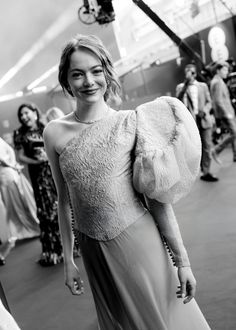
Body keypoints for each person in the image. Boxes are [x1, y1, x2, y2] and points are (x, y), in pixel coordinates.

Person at [43, 34, 211, 329]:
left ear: (107, 73)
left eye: (96, 71)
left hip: (139, 241)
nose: (89, 81)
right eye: (78, 74)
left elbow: (158, 200)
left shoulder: (131, 122)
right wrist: (68, 261)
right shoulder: (53, 133)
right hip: (94, 252)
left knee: (163, 320)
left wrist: (182, 262)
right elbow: (63, 200)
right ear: (66, 81)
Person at [13, 103, 63, 266]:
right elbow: (20, 157)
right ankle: (53, 251)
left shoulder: (47, 126)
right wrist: (36, 160)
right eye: (21, 115)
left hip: (54, 170)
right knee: (47, 210)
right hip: (39, 176)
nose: (24, 117)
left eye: (26, 113)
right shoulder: (19, 133)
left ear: (35, 112)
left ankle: (70, 247)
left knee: (61, 205)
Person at [176, 63, 218, 182]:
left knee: (207, 146)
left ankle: (206, 172)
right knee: (193, 148)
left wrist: (204, 111)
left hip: (204, 120)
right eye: (189, 72)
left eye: (193, 72)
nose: (191, 75)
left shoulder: (203, 86)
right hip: (190, 124)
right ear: (185, 73)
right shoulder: (180, 87)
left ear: (196, 73)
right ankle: (197, 168)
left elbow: (209, 102)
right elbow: (178, 101)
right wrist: (185, 85)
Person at [0, 137, 40, 247]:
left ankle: (30, 228)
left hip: (8, 174)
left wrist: (13, 165)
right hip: (8, 174)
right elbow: (5, 156)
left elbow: (5, 158)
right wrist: (14, 165)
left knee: (18, 204)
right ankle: (27, 228)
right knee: (16, 204)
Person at [210, 61, 236, 163]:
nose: (227, 72)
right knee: (234, 132)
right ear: (218, 70)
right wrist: (227, 114)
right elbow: (218, 100)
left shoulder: (218, 81)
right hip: (226, 114)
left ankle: (235, 155)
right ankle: (216, 150)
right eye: (224, 70)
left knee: (233, 132)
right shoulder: (217, 82)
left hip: (229, 112)